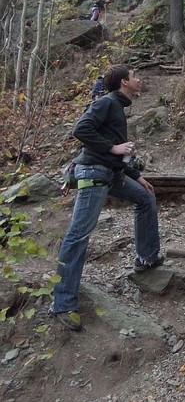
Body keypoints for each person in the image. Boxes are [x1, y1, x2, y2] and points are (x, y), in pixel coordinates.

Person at [51, 64, 163, 331]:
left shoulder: (118, 106)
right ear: (124, 82)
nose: (139, 80)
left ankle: (146, 258)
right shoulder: (107, 102)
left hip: (110, 173)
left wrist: (136, 176)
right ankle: (63, 302)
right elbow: (81, 129)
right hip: (94, 174)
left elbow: (114, 151)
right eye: (135, 76)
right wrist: (113, 147)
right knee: (78, 234)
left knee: (145, 198)